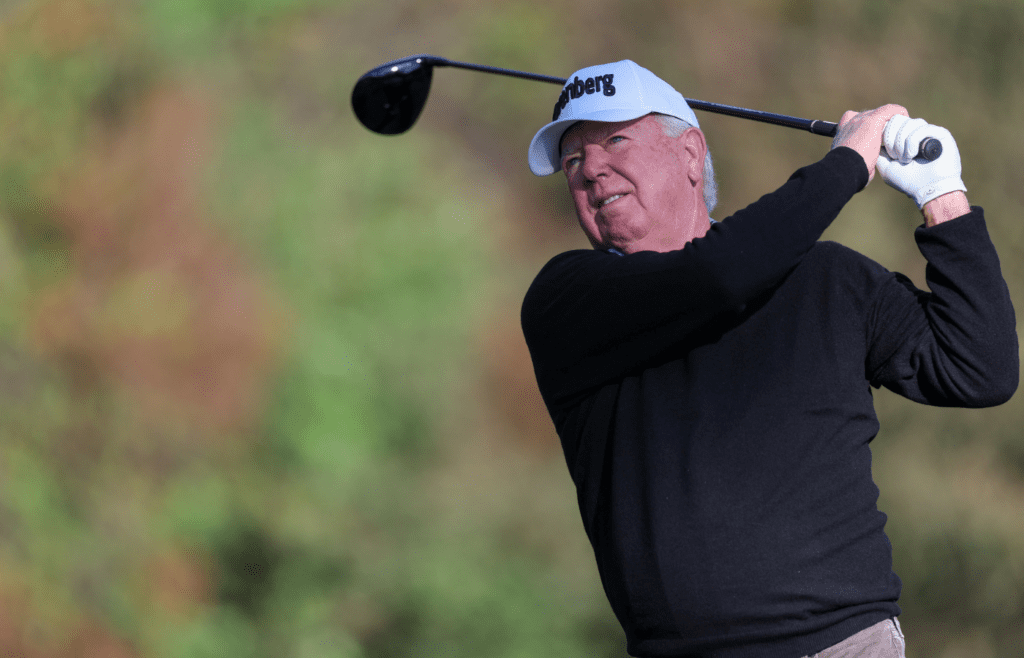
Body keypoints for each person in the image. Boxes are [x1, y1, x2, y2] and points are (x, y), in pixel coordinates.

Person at [520, 60, 1018, 658]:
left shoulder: (826, 278)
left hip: (846, 645)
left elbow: (979, 369)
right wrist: (847, 162)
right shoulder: (568, 300)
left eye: (615, 140)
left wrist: (943, 196)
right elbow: (718, 275)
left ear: (690, 153)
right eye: (573, 160)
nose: (592, 169)